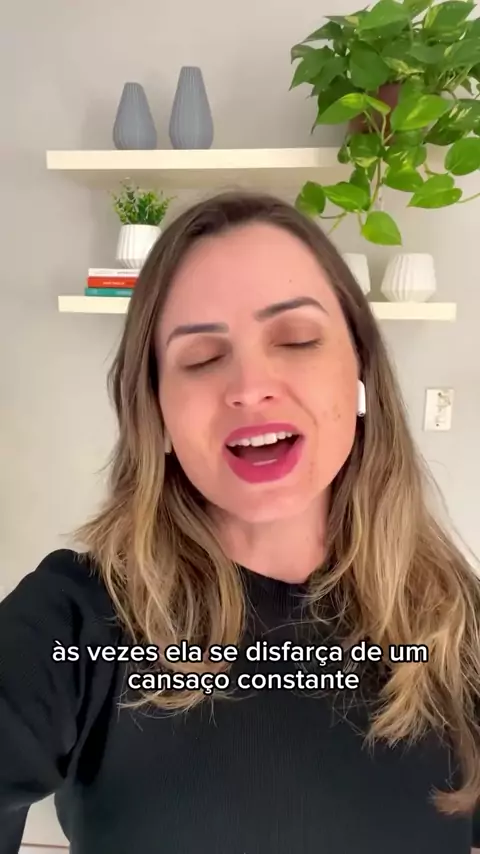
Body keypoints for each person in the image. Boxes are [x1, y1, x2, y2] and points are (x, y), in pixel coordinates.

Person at [1, 191, 480, 854]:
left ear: (362, 372)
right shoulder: (73, 620)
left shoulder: (457, 624)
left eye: (297, 339)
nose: (251, 386)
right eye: (201, 357)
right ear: (156, 413)